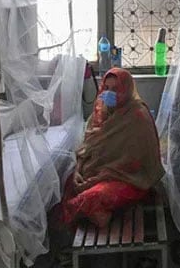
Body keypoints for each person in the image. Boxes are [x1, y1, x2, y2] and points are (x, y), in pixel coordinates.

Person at [56, 67, 164, 228]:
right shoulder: (101, 111)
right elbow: (87, 146)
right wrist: (78, 171)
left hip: (129, 178)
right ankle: (99, 213)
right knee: (68, 185)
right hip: (96, 171)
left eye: (116, 89)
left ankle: (99, 213)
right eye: (106, 88)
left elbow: (137, 163)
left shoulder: (138, 115)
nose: (109, 93)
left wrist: (102, 176)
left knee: (92, 197)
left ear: (126, 90)